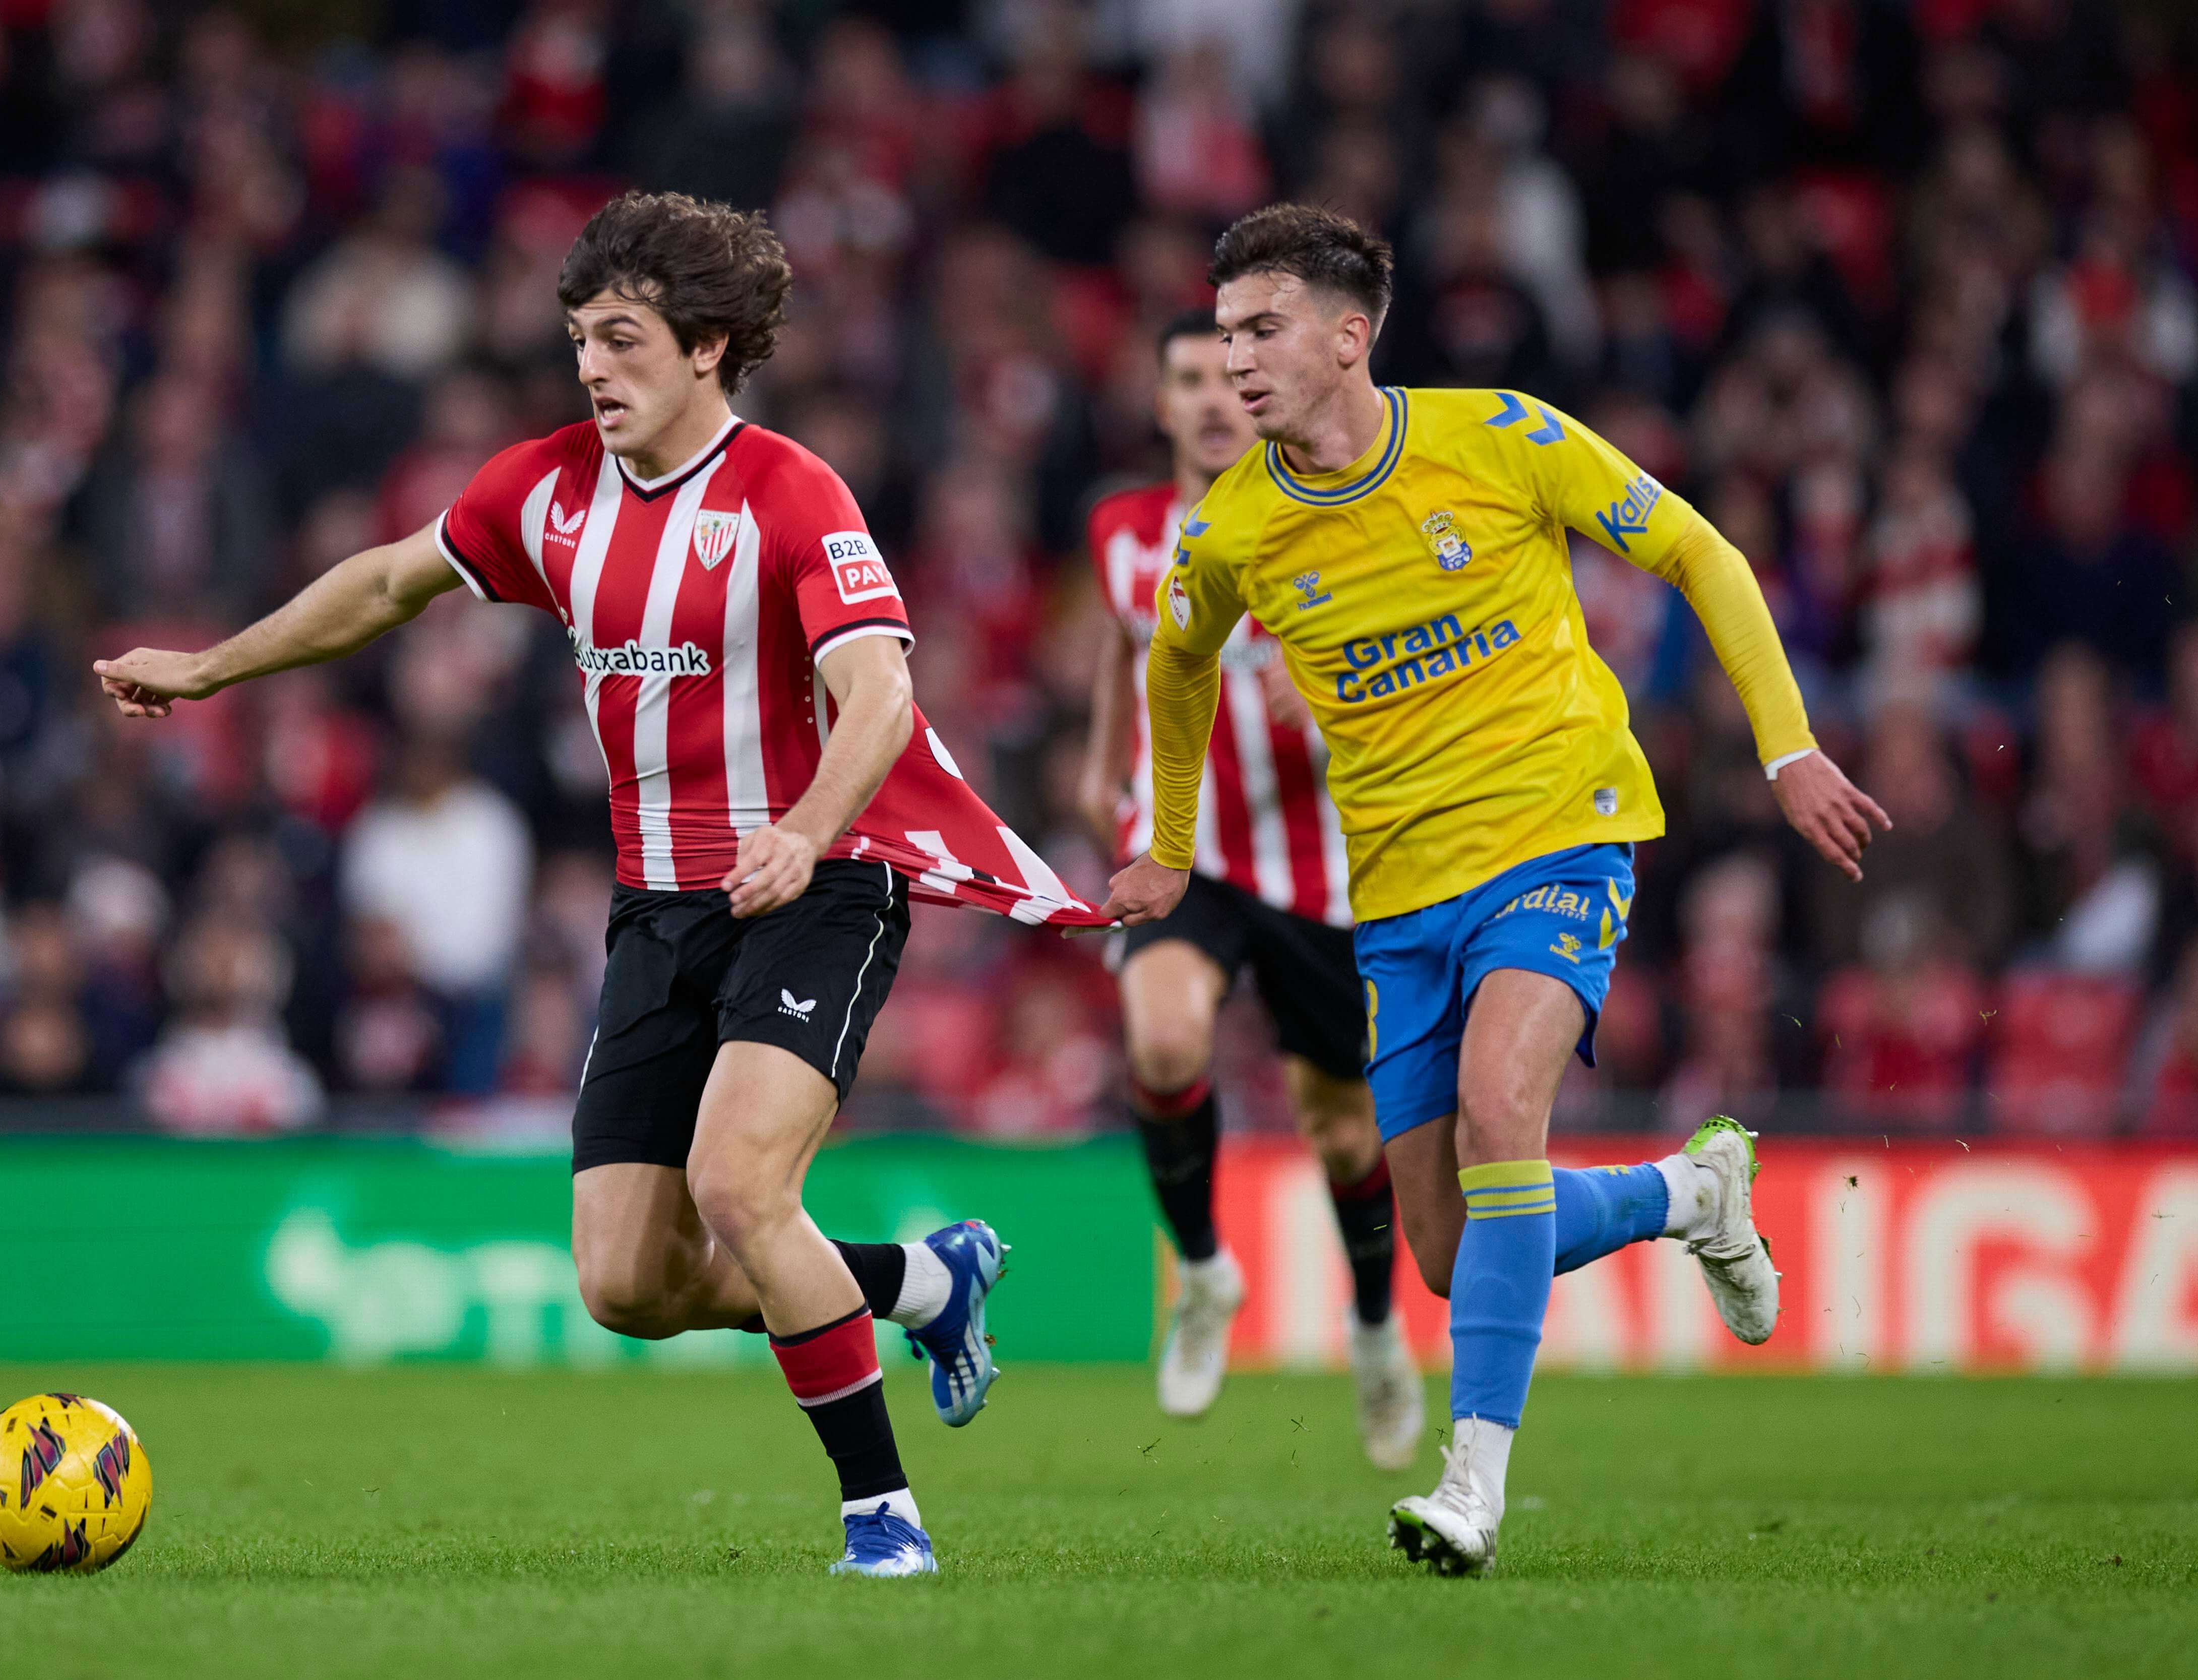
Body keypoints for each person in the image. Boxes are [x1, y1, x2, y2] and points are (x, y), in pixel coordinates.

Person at [93, 192, 1105, 1579]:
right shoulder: (547, 489)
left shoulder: (791, 493)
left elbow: (879, 692)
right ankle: (926, 1278)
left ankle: (884, 1514)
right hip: (657, 909)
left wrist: (809, 828)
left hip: (815, 884)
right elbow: (390, 582)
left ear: (710, 346)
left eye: (622, 339)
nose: (591, 366)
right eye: (579, 338)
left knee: (743, 1185)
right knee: (629, 1281)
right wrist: (211, 666)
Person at [1104, 204, 1889, 1577]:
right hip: (1398, 899)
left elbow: (1699, 549)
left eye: (1262, 328)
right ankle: (1689, 1194)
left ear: (1351, 337)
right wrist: (1169, 843)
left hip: (1559, 834)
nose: (1233, 361)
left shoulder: (1504, 435)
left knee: (1497, 1108)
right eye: (1223, 333)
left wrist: (1790, 744)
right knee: (1452, 1251)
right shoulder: (1229, 532)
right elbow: (1172, 672)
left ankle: (1473, 1484)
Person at [1080, 310, 1420, 1463]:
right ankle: (1207, 1274)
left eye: (1231, 374)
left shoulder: (1336, 522)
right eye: (1189, 379)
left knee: (1340, 1134)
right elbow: (1126, 649)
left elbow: (1411, 682)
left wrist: (1332, 707)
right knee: (1164, 1043)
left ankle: (1375, 1331)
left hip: (1324, 869)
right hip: (1195, 853)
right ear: (1163, 402)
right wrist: (1097, 766)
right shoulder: (1122, 532)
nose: (1215, 396)